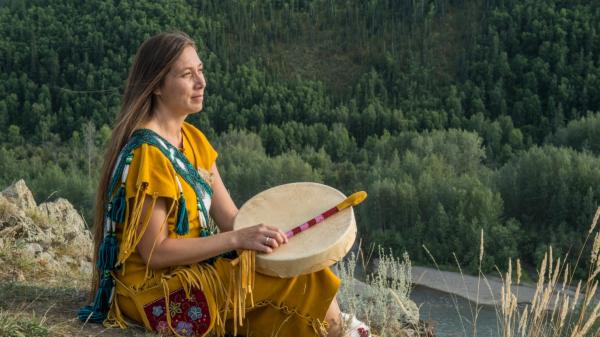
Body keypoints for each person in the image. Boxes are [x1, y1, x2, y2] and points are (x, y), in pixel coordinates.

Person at [78, 31, 371, 337]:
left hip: (195, 271)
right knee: (301, 282)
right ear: (157, 87)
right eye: (187, 75)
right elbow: (156, 253)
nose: (201, 82)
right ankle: (342, 330)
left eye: (200, 70)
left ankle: (337, 328)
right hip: (158, 294)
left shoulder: (193, 140)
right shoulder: (146, 156)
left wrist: (280, 237)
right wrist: (237, 241)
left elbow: (232, 220)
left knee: (298, 270)